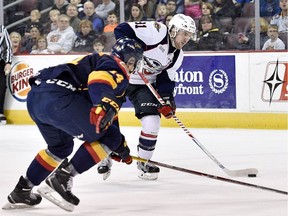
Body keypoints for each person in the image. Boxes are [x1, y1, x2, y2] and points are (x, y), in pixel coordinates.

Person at [4, 37, 144, 211]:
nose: (136, 66)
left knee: (60, 148)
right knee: (111, 136)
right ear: (130, 60)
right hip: (59, 98)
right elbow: (98, 79)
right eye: (136, 61)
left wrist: (120, 147)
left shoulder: (101, 60)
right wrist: (106, 104)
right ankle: (63, 177)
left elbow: (109, 121)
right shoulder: (117, 66)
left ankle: (22, 190)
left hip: (36, 98)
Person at [97, 14, 197, 180]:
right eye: (184, 33)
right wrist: (132, 53)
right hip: (122, 74)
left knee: (152, 122)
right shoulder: (156, 32)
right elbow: (121, 29)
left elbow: (166, 79)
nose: (186, 38)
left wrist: (166, 99)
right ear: (173, 30)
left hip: (144, 85)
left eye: (189, 34)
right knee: (105, 115)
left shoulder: (178, 56)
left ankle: (144, 161)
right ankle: (104, 155)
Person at [0, 24, 13, 125]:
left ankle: (0, 112)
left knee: (1, 87)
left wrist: (8, 62)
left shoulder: (1, 28)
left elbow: (8, 46)